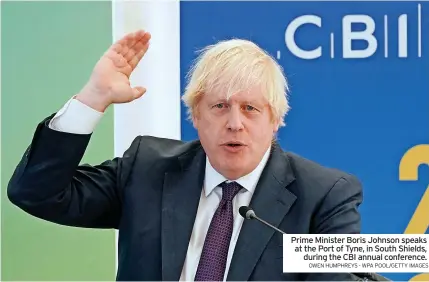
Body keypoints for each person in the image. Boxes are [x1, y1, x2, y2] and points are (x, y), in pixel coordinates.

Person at [7, 29, 363, 281]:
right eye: (219, 106)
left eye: (251, 108)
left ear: (276, 119)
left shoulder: (322, 197)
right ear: (195, 115)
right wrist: (93, 97)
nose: (234, 123)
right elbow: (36, 192)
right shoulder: (147, 169)